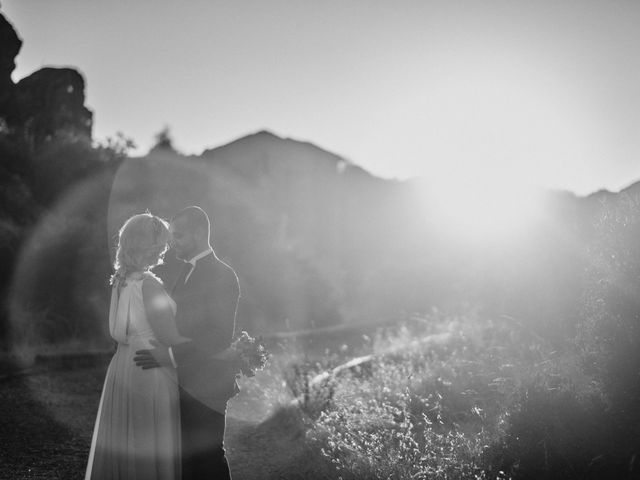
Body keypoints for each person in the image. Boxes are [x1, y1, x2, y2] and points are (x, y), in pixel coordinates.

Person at [134, 206, 241, 480]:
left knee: (209, 460)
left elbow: (218, 338)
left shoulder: (223, 275)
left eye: (178, 236)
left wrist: (169, 355)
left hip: (208, 385)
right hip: (182, 382)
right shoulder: (183, 272)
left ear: (198, 233)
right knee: (187, 462)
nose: (172, 243)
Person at [85, 213, 188, 480]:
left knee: (126, 440)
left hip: (122, 366)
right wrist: (217, 348)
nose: (165, 248)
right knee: (146, 441)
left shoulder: (120, 280)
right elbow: (170, 337)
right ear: (150, 245)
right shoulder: (149, 285)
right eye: (162, 243)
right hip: (150, 368)